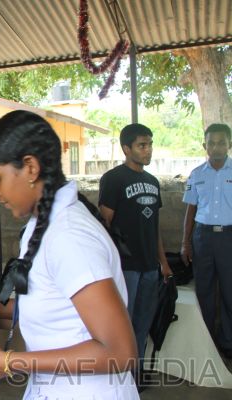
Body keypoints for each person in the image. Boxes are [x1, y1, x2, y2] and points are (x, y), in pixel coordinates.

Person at [0, 110, 138, 399]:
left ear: (30, 168)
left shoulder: (70, 237)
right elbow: (53, 307)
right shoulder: (42, 225)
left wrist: (8, 362)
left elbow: (119, 352)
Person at [98, 123, 172, 384]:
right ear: (126, 148)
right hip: (125, 266)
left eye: (150, 144)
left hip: (149, 266)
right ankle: (120, 377)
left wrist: (163, 262)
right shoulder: (113, 179)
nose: (148, 150)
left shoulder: (152, 182)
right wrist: (107, 264)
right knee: (123, 325)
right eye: (142, 145)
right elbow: (104, 224)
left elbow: (154, 227)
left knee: (142, 323)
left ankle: (135, 375)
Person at [181, 123, 232, 359]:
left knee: (230, 292)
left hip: (229, 237)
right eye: (211, 143)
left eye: (221, 142)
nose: (216, 147)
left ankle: (228, 342)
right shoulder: (196, 174)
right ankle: (206, 343)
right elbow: (190, 210)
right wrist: (185, 242)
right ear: (205, 145)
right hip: (203, 237)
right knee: (204, 291)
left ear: (229, 144)